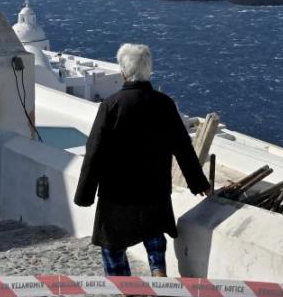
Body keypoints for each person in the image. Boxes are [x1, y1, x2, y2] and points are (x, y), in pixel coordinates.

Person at [74, 43, 211, 277]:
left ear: (123, 72)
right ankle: (158, 273)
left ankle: (122, 283)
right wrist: (199, 184)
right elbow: (183, 147)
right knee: (154, 234)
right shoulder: (164, 104)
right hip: (154, 189)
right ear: (148, 71)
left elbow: (94, 151)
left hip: (116, 192)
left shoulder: (111, 106)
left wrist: (85, 194)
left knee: (113, 244)